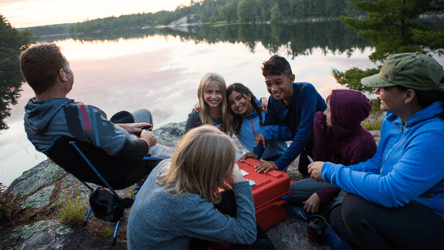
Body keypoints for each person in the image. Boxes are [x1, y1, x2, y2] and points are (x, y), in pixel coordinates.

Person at [308, 52, 444, 250]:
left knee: (355, 207)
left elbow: (391, 191)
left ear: (408, 95)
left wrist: (331, 171)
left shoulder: (434, 136)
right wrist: (334, 170)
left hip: (432, 220)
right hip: (405, 207)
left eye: (384, 86)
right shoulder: (394, 120)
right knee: (338, 215)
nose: (377, 90)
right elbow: (377, 164)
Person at [21, 43, 171, 184]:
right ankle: (149, 178)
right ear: (63, 75)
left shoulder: (31, 118)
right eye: (68, 67)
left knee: (141, 114)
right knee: (183, 157)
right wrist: (146, 141)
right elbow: (127, 151)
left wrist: (121, 127)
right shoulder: (80, 114)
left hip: (97, 173)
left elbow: (84, 131)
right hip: (124, 170)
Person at [127, 125, 275, 250]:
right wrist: (239, 183)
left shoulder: (166, 166)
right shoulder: (186, 203)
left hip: (163, 240)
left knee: (228, 198)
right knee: (262, 247)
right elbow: (247, 235)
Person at [290, 89, 377, 216]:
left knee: (342, 205)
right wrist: (319, 129)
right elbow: (319, 161)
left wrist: (321, 195)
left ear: (342, 114)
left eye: (329, 110)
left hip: (346, 184)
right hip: (329, 177)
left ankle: (326, 210)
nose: (324, 113)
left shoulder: (364, 144)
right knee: (288, 192)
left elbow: (353, 180)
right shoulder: (331, 129)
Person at [241, 55, 327, 174]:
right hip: (306, 140)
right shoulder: (273, 100)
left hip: (325, 139)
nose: (273, 89)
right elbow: (268, 129)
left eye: (278, 82)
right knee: (304, 170)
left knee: (314, 173)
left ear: (291, 78)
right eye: (268, 84)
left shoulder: (306, 91)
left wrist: (278, 163)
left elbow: (305, 131)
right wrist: (256, 154)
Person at [227, 83, 287, 161]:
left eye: (239, 98)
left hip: (280, 157)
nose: (237, 104)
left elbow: (285, 129)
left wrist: (263, 99)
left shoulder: (266, 110)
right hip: (256, 160)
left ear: (248, 96)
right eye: (231, 103)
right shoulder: (234, 122)